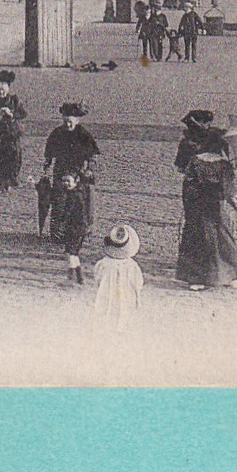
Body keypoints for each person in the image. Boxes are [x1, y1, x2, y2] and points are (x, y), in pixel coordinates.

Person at [174, 110, 237, 291]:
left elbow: (186, 181)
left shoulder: (194, 161)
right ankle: (230, 276)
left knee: (194, 236)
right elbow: (230, 192)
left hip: (194, 206)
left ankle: (195, 279)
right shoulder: (223, 166)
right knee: (224, 240)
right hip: (215, 208)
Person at [44, 102, 101, 283]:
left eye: (71, 121)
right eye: (66, 121)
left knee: (80, 204)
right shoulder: (57, 133)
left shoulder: (84, 135)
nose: (68, 124)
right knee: (59, 201)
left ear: (77, 120)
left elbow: (92, 156)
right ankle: (58, 232)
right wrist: (47, 165)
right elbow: (49, 153)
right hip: (61, 172)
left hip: (79, 174)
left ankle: (82, 231)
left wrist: (88, 169)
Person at [94, 224, 145, 331]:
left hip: (106, 293)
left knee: (106, 311)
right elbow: (138, 282)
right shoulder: (132, 265)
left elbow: (98, 278)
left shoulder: (103, 263)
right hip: (126, 295)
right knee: (124, 311)